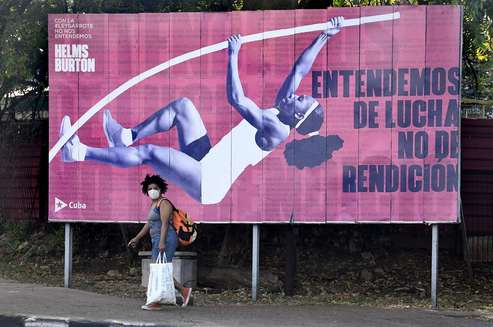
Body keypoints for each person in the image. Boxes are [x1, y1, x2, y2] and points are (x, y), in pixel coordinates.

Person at [59, 17, 344, 204]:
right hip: (208, 159)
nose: (295, 95)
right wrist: (325, 36)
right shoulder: (284, 109)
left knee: (150, 154)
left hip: (209, 181)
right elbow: (299, 69)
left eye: (300, 100)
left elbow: (237, 100)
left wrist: (233, 55)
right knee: (183, 107)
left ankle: (79, 153)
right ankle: (127, 136)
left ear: (298, 117)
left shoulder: (278, 128)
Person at [127, 174, 192, 310]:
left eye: (155, 188)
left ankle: (155, 301)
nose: (152, 190)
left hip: (166, 238)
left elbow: (165, 224)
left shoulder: (164, 203)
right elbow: (149, 224)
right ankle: (183, 291)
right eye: (149, 188)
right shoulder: (153, 204)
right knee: (160, 270)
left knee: (159, 269)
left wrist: (162, 242)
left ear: (161, 189)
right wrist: (137, 238)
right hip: (157, 239)